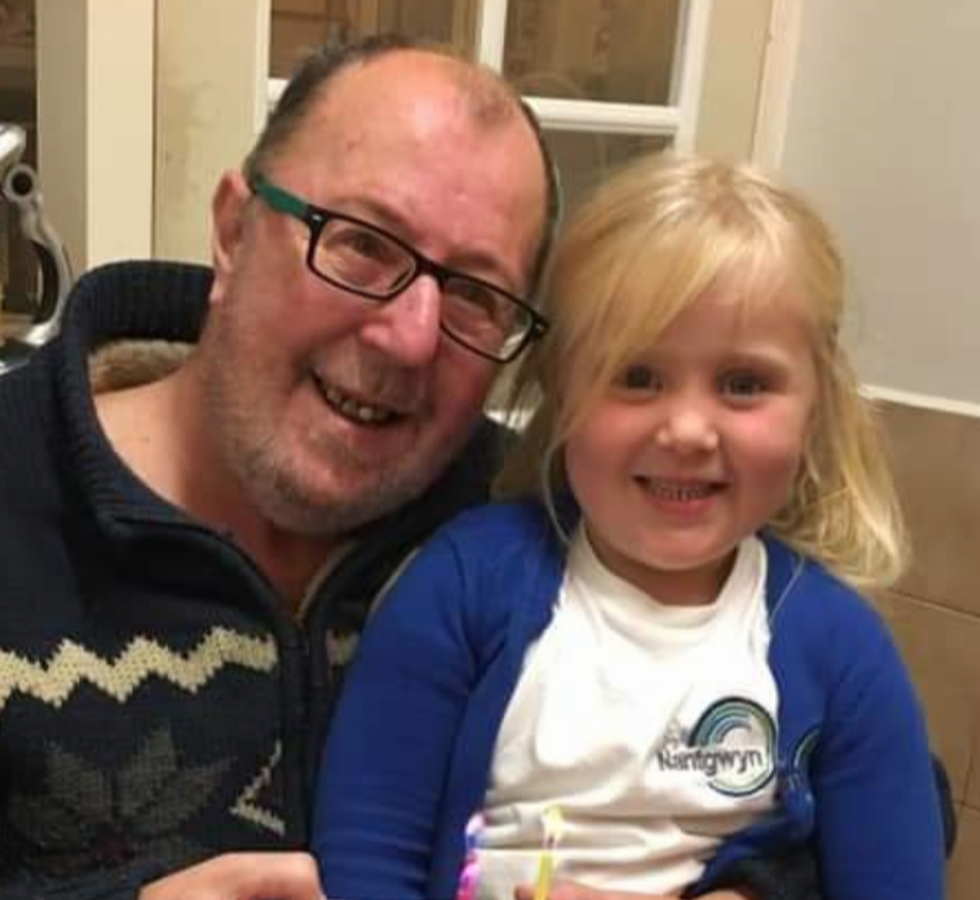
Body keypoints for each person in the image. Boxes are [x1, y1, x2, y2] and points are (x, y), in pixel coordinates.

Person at [0, 36, 881, 900]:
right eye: (360, 242)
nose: (408, 334)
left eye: (475, 294)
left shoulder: (542, 520)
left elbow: (848, 774)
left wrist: (754, 893)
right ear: (233, 230)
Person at [312, 155, 946, 900]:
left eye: (743, 384)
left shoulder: (842, 649)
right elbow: (366, 856)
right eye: (637, 376)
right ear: (563, 392)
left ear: (815, 413)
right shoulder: (461, 586)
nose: (687, 430)